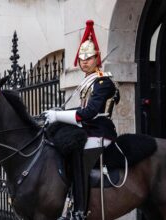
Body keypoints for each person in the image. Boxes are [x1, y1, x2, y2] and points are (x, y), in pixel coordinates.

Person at [46, 20, 118, 219]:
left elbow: (90, 113)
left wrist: (59, 116)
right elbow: (81, 110)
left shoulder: (103, 82)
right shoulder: (88, 81)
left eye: (89, 57)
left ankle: (80, 209)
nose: (84, 61)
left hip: (101, 129)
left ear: (97, 58)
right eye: (82, 58)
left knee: (78, 153)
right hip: (89, 127)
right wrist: (57, 115)